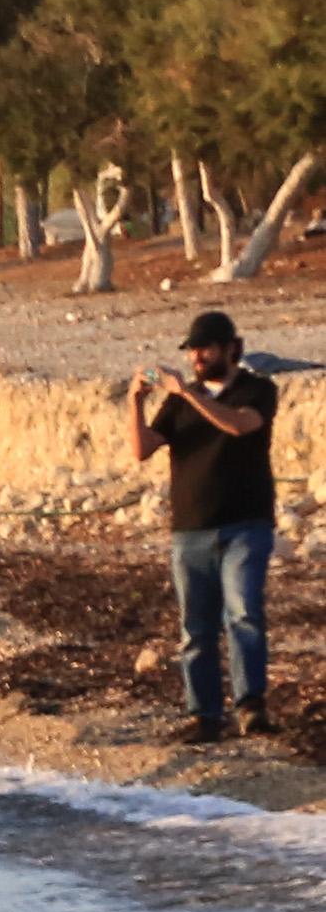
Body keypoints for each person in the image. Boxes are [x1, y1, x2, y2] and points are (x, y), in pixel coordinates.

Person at [132, 308, 282, 743]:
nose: (198, 357)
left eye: (207, 349)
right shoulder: (179, 402)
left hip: (246, 525)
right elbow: (142, 449)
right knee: (195, 629)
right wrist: (136, 401)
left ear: (231, 349)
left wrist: (188, 393)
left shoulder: (257, 390)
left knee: (244, 615)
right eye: (194, 350)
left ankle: (251, 706)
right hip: (190, 529)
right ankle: (206, 716)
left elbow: (238, 426)